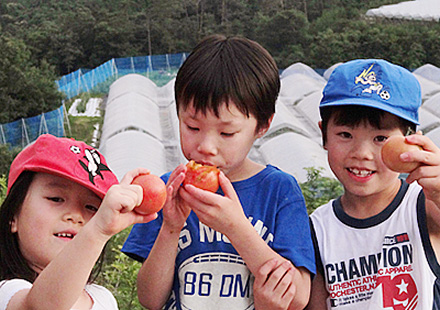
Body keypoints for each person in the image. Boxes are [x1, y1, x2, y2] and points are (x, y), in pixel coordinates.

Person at [121, 34, 315, 310]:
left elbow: (298, 297)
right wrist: (170, 228)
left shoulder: (278, 190)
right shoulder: (169, 190)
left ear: (263, 126)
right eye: (192, 127)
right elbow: (150, 299)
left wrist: (236, 228)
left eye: (227, 132)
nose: (206, 147)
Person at [307, 59, 440, 309]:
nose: (362, 153)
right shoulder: (317, 230)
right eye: (345, 135)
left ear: (412, 142)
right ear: (323, 133)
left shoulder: (424, 206)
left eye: (380, 138)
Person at [0, 134, 157, 310]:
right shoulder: (8, 293)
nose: (75, 216)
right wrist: (97, 231)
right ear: (13, 215)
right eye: (56, 199)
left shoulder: (103, 298)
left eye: (91, 208)